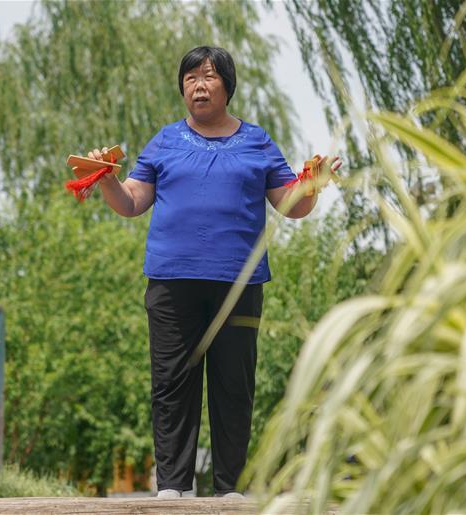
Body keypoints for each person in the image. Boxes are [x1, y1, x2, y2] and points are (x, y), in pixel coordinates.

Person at [86, 46, 340, 498]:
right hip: (171, 282)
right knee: (171, 384)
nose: (197, 86)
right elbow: (131, 203)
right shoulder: (164, 141)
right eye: (189, 79)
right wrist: (105, 178)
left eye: (207, 77)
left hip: (239, 284)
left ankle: (231, 488)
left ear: (227, 85)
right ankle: (173, 487)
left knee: (233, 385)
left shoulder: (258, 141)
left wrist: (313, 186)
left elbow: (290, 204)